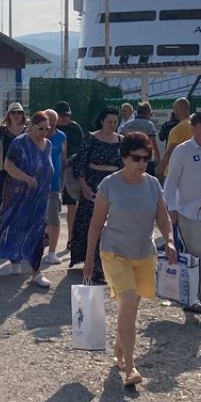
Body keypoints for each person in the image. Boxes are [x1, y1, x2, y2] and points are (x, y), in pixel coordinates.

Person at [83, 131, 178, 388]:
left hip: (143, 254)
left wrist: (169, 240)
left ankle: (119, 349)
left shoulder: (152, 185)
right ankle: (130, 367)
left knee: (131, 309)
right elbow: (95, 224)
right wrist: (89, 257)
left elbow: (163, 217)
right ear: (124, 158)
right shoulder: (109, 185)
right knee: (127, 302)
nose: (141, 163)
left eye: (145, 159)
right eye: (135, 158)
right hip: (114, 253)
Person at [0, 110, 56, 288]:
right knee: (15, 226)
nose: (45, 132)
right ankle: (14, 258)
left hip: (40, 197)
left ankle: (36, 272)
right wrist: (26, 178)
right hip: (18, 194)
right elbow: (8, 165)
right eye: (41, 129)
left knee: (37, 231)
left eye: (48, 129)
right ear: (31, 127)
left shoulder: (49, 144)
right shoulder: (19, 143)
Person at [163, 111, 201, 317]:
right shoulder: (182, 151)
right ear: (194, 129)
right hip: (187, 214)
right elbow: (171, 181)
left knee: (198, 259)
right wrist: (171, 207)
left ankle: (191, 298)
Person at [69, 107, 123, 279]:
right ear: (102, 121)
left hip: (113, 185)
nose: (112, 125)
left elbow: (124, 165)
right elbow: (80, 163)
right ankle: (91, 262)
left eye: (115, 122)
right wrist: (84, 185)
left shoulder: (121, 140)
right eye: (109, 122)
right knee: (91, 223)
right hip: (92, 185)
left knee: (110, 224)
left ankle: (106, 262)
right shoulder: (91, 138)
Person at [0, 102, 27, 220]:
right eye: (13, 112)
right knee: (2, 197)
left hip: (22, 170)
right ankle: (0, 223)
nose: (16, 115)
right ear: (9, 115)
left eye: (19, 112)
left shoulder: (28, 131)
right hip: (4, 169)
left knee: (21, 197)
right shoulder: (2, 131)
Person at [54, 101, 85, 251]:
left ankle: (71, 239)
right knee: (52, 207)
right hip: (54, 171)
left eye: (67, 115)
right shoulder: (52, 129)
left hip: (72, 171)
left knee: (72, 206)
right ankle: (48, 234)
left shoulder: (75, 128)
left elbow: (82, 147)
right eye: (62, 115)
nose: (65, 118)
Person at [42, 109, 69, 265]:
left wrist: (63, 182)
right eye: (48, 124)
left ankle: (52, 252)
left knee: (54, 218)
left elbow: (64, 160)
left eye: (53, 124)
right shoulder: (36, 135)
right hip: (36, 186)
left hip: (54, 185)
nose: (50, 127)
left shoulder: (61, 137)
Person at [119, 101, 163, 176]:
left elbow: (120, 141)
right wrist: (158, 162)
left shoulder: (127, 124)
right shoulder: (149, 125)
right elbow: (153, 143)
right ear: (148, 113)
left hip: (129, 159)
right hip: (146, 160)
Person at [159, 97, 193, 178]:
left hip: (174, 172)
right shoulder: (193, 124)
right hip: (188, 169)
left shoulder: (180, 128)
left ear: (180, 108)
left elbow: (171, 151)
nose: (173, 111)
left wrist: (161, 166)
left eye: (174, 108)